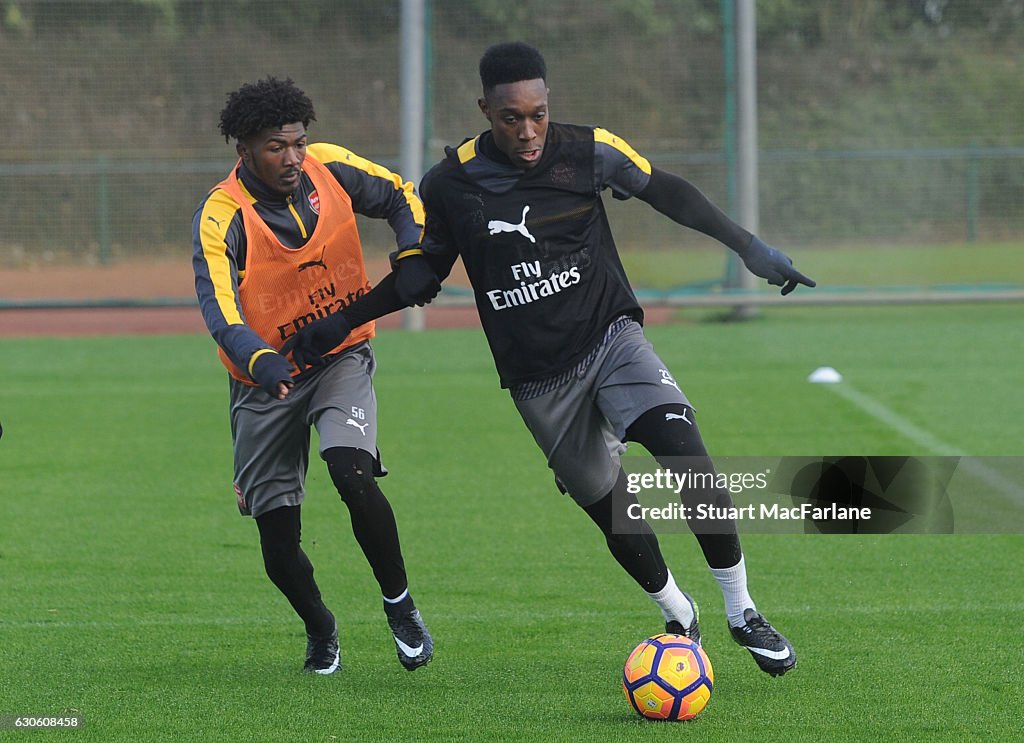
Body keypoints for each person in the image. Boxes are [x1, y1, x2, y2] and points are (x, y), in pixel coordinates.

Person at [285, 42, 814, 676]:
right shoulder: (449, 184)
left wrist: (748, 247)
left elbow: (666, 191)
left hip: (611, 337)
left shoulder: (589, 150)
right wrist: (343, 321)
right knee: (610, 507)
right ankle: (678, 613)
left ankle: (741, 609)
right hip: (539, 379)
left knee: (686, 453)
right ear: (485, 110)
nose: (529, 131)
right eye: (511, 118)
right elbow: (423, 277)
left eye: (538, 113)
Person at [192, 77, 434, 675]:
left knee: (350, 470)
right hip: (264, 380)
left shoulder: (329, 168)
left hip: (340, 356)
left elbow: (402, 195)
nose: (294, 158)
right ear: (243, 149)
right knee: (278, 545)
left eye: (299, 142)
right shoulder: (222, 218)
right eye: (277, 147)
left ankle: (400, 607)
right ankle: (321, 627)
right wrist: (261, 359)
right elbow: (220, 314)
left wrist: (410, 250)